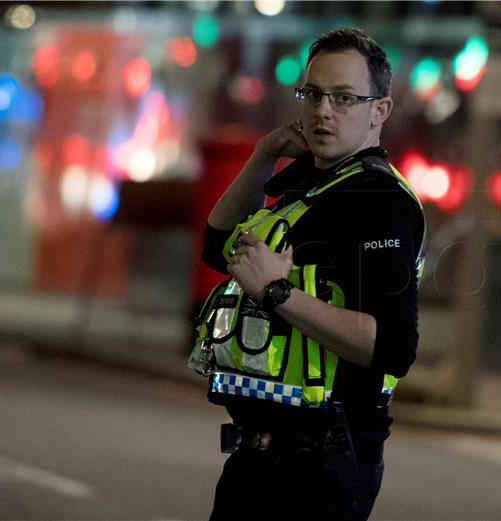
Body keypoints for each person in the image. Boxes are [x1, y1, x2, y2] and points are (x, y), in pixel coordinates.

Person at [195, 28, 425, 520]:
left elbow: (392, 348)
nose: (323, 110)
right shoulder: (312, 182)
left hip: (322, 463)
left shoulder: (378, 202)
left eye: (344, 98)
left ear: (378, 111)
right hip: (258, 453)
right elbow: (219, 247)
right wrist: (263, 156)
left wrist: (277, 292)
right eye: (313, 93)